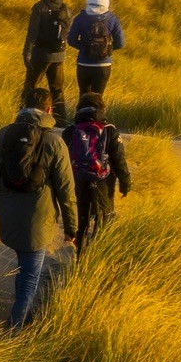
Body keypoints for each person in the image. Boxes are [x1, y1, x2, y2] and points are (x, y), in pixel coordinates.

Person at [0, 87, 78, 330]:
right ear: (48, 109)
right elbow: (66, 188)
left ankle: (22, 312)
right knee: (29, 276)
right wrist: (71, 226)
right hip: (39, 218)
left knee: (25, 269)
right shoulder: (55, 141)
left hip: (8, 215)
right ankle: (16, 327)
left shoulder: (2, 136)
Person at [64, 94, 131, 264]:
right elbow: (119, 160)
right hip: (103, 182)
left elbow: (63, 161)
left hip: (78, 180)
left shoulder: (70, 131)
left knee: (83, 219)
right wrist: (125, 183)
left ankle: (80, 255)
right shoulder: (109, 130)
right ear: (102, 109)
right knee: (104, 216)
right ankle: (99, 256)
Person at [21, 0, 71, 119]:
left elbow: (32, 33)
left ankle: (24, 116)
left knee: (30, 86)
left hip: (41, 54)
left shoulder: (39, 7)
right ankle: (61, 120)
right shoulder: (65, 7)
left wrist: (27, 54)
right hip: (59, 55)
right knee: (57, 89)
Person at [67, 0, 124, 107]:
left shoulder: (81, 18)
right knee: (98, 99)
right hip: (104, 66)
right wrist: (107, 49)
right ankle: (96, 124)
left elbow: (71, 40)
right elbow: (120, 43)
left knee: (83, 97)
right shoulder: (112, 19)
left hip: (83, 64)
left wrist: (84, 47)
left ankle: (80, 123)